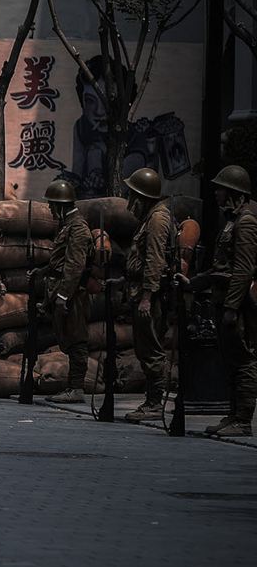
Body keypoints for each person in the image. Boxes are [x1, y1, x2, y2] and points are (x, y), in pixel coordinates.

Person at [194, 165, 257, 436]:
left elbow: (243, 269)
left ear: (232, 192)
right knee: (230, 362)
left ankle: (243, 420)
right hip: (225, 300)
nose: (216, 193)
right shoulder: (232, 220)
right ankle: (233, 415)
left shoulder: (246, 222)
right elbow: (223, 266)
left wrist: (232, 307)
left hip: (239, 305)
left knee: (244, 361)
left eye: (220, 188)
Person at [122, 167, 174, 422]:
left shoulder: (157, 220)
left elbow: (154, 260)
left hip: (150, 296)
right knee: (145, 348)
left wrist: (146, 297)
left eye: (133, 196)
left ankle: (155, 403)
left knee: (152, 348)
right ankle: (150, 401)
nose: (130, 201)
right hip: (142, 292)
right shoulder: (151, 217)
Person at [36, 179, 94, 404]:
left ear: (62, 205)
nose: (50, 209)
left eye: (52, 205)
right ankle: (72, 386)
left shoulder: (78, 229)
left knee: (77, 340)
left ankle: (76, 388)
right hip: (62, 290)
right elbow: (59, 262)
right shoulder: (67, 227)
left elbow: (74, 266)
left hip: (73, 295)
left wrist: (63, 296)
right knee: (68, 339)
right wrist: (41, 272)